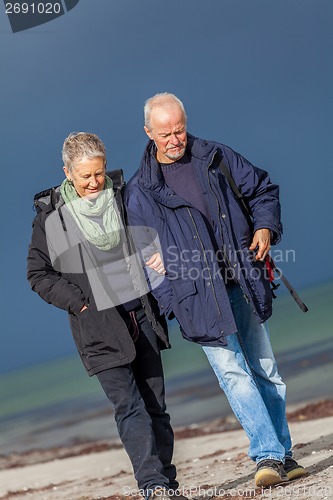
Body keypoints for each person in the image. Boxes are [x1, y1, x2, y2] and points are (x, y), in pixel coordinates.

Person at [124, 93, 306, 488]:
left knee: (265, 371)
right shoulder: (140, 192)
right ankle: (268, 455)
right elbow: (145, 256)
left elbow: (262, 189)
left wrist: (264, 228)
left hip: (241, 280)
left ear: (185, 123)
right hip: (196, 298)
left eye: (180, 130)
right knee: (233, 374)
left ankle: (283, 454)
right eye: (165, 133)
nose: (175, 140)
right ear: (148, 133)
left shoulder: (215, 157)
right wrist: (173, 302)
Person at [27, 132, 180, 500]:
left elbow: (153, 235)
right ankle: (153, 487)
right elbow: (38, 274)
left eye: (99, 173)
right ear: (67, 173)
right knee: (129, 407)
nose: (95, 183)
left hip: (141, 316)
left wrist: (156, 253)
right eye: (85, 177)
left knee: (156, 408)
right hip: (97, 327)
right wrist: (79, 302)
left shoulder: (126, 197)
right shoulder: (52, 218)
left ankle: (168, 486)